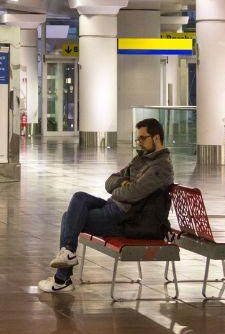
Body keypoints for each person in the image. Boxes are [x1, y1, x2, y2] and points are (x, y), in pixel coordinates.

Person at [37, 117, 174, 294]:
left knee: (68, 217)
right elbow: (110, 182)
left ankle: (62, 277)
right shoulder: (141, 159)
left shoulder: (160, 167)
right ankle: (67, 258)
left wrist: (121, 188)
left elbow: (132, 193)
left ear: (156, 138)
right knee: (79, 197)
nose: (139, 142)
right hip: (115, 207)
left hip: (126, 218)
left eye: (143, 138)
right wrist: (123, 184)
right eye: (138, 138)